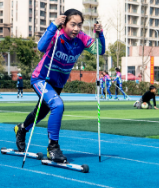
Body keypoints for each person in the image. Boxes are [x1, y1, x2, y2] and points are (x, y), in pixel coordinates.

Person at [14, 9, 106, 163]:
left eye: (79, 25)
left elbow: (100, 51)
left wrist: (100, 34)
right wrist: (53, 25)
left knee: (41, 111)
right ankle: (53, 148)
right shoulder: (56, 35)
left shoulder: (82, 38)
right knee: (57, 105)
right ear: (64, 24)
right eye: (72, 24)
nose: (76, 28)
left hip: (58, 83)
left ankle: (21, 129)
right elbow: (41, 47)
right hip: (41, 79)